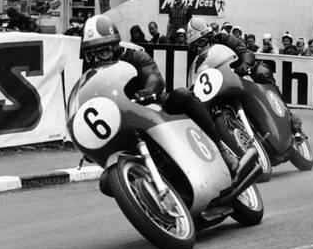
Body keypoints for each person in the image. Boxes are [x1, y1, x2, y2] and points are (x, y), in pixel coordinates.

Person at [80, 15, 240, 173]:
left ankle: (221, 148)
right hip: (123, 122)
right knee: (107, 182)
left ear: (114, 47)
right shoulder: (92, 76)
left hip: (153, 106)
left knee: (183, 95)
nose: (96, 60)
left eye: (102, 53)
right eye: (90, 55)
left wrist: (147, 92)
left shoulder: (134, 55)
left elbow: (153, 75)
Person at [187, 17, 304, 136]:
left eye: (201, 42)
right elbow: (196, 80)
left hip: (239, 74)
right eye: (193, 46)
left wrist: (244, 65)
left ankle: (288, 114)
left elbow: (245, 51)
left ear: (209, 35)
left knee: (261, 71)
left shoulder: (224, 38)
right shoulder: (197, 61)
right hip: (219, 88)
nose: (198, 48)